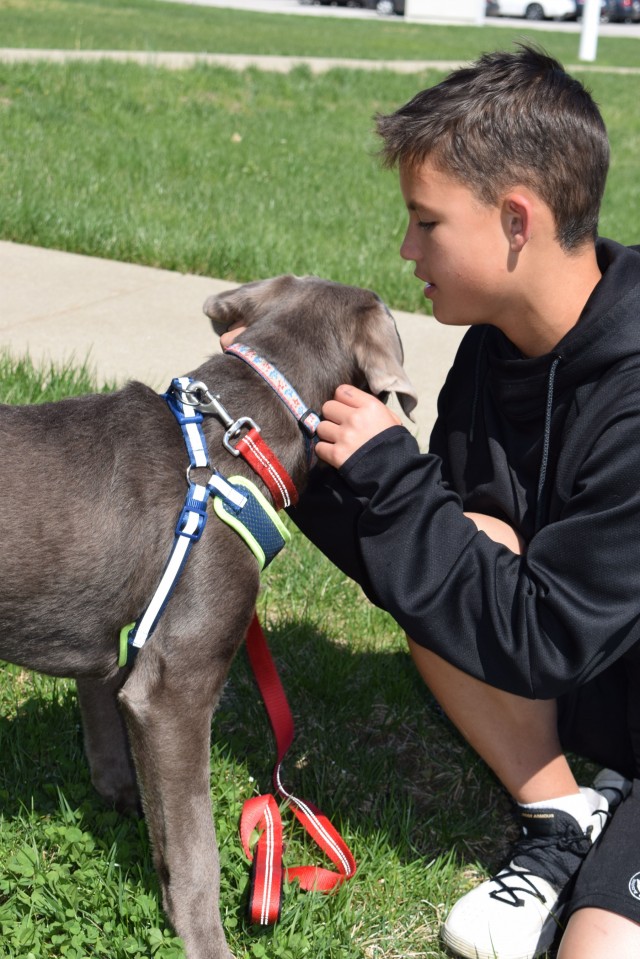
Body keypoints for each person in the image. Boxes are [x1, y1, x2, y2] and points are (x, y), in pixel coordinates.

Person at [284, 44, 640, 959]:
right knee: (458, 533)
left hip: (579, 651)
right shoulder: (496, 342)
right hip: (597, 678)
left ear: (515, 221)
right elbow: (448, 547)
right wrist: (296, 450)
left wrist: (394, 477)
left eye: (425, 221)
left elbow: (544, 635)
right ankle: (565, 813)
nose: (406, 249)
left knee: (597, 948)